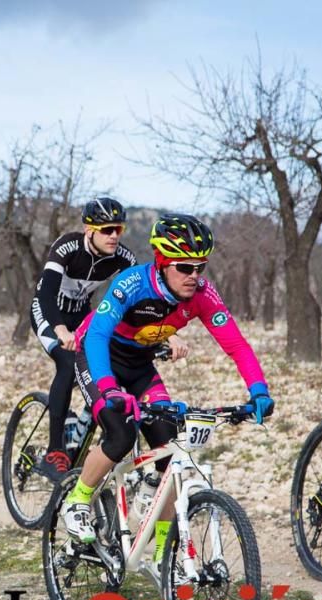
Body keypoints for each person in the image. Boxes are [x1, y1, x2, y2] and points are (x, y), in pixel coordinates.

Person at [62, 213, 274, 569]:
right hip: (97, 358)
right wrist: (109, 388)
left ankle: (163, 553)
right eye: (184, 267)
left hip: (140, 367)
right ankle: (78, 500)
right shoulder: (132, 284)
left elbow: (236, 345)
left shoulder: (202, 294)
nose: (194, 276)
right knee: (120, 432)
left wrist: (258, 391)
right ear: (162, 263)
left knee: (171, 447)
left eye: (200, 267)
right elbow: (98, 335)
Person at [29, 197, 138, 481]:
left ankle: (87, 435)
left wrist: (168, 334)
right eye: (107, 230)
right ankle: (56, 450)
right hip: (49, 312)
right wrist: (60, 330)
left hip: (82, 317)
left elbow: (140, 298)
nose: (114, 235)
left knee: (110, 366)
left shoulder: (122, 257)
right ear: (89, 230)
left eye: (118, 229)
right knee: (67, 363)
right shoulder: (67, 247)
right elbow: (45, 294)